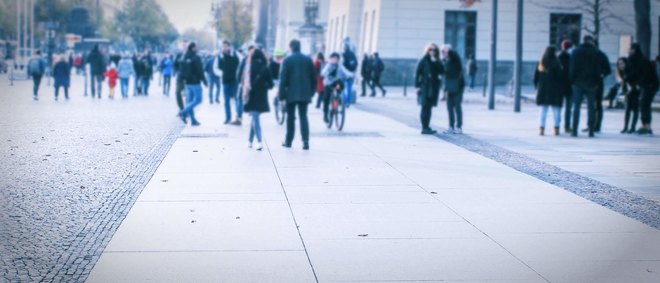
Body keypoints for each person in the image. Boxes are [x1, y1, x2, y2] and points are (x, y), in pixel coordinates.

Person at [279, 39, 317, 150]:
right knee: (303, 116)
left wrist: (281, 95)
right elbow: (313, 77)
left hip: (290, 93)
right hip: (305, 93)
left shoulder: (287, 60)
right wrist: (312, 91)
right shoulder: (308, 59)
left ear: (291, 47)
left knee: (290, 118)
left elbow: (283, 79)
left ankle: (288, 141)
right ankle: (305, 142)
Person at [569, 36, 610, 137]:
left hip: (578, 83)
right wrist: (600, 77)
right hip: (592, 83)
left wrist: (572, 81)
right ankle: (591, 130)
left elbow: (572, 68)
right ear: (591, 42)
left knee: (576, 107)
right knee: (591, 107)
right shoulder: (598, 53)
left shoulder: (575, 52)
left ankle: (574, 130)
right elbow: (607, 69)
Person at [243, 48, 274, 151]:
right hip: (261, 97)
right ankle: (251, 141)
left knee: (255, 118)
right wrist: (263, 85)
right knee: (255, 118)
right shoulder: (266, 68)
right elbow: (271, 85)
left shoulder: (248, 67)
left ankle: (258, 141)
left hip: (251, 95)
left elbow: (241, 80)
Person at [627, 43, 659, 135]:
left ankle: (646, 125)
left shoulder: (641, 61)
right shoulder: (638, 60)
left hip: (649, 85)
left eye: (630, 49)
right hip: (647, 85)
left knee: (644, 104)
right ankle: (645, 125)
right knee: (644, 105)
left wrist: (637, 83)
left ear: (634, 50)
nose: (629, 51)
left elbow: (644, 75)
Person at [415, 43, 445, 135]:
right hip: (424, 87)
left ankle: (427, 126)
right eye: (431, 49)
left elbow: (442, 71)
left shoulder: (437, 60)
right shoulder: (423, 60)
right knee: (425, 107)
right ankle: (424, 128)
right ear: (427, 50)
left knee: (429, 107)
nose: (433, 51)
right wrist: (417, 86)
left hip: (434, 87)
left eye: (435, 50)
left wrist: (435, 61)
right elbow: (417, 73)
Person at [534, 46, 563, 136]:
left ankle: (541, 129)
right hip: (555, 91)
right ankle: (556, 128)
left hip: (543, 90)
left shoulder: (541, 63)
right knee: (556, 111)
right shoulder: (557, 64)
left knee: (543, 111)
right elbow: (560, 78)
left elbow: (535, 78)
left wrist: (537, 87)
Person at [582, 42, 611, 133]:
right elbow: (608, 70)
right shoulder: (600, 55)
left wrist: (602, 74)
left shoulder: (599, 55)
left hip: (594, 82)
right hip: (596, 81)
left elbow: (608, 69)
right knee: (595, 104)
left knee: (595, 104)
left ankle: (594, 125)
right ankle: (593, 125)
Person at [178, 42, 207, 126]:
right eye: (196, 47)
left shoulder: (184, 57)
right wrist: (205, 81)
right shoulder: (196, 57)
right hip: (195, 82)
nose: (197, 48)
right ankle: (183, 112)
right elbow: (200, 70)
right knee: (198, 99)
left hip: (187, 82)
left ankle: (193, 120)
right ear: (193, 48)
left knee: (190, 101)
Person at [321, 52, 354, 123]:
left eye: (336, 59)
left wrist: (351, 75)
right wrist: (327, 74)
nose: (334, 60)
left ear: (338, 59)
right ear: (330, 59)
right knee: (326, 99)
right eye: (332, 58)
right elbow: (323, 72)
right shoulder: (328, 65)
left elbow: (345, 71)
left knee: (340, 85)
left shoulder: (340, 66)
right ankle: (325, 115)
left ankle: (337, 99)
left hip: (336, 84)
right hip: (328, 84)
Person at [442, 45, 465, 134]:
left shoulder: (456, 60)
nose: (444, 53)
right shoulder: (445, 61)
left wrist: (449, 50)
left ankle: (459, 127)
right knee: (449, 107)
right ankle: (451, 126)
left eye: (445, 51)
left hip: (458, 86)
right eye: (443, 52)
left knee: (457, 106)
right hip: (449, 87)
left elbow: (454, 55)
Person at [219, 41, 240, 124]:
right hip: (225, 81)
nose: (224, 48)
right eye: (223, 46)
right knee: (226, 101)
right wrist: (222, 74)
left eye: (225, 46)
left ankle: (238, 117)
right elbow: (216, 67)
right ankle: (228, 118)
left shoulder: (236, 55)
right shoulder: (220, 56)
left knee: (237, 99)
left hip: (235, 81)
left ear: (229, 47)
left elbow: (241, 64)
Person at [234, 46, 255, 126]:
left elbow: (239, 71)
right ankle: (253, 118)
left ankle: (239, 117)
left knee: (239, 99)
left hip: (245, 84)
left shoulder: (245, 59)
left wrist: (239, 81)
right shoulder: (258, 60)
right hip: (252, 84)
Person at [557, 40, 574, 133]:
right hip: (569, 86)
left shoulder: (557, 57)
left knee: (559, 107)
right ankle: (567, 126)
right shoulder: (572, 58)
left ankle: (557, 126)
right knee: (568, 108)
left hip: (559, 86)